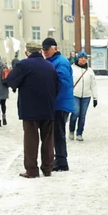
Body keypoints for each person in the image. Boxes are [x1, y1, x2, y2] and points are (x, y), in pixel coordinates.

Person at [6, 41, 59, 178]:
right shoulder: (50, 66)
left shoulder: (23, 65)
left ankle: (32, 170)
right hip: (48, 108)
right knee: (48, 139)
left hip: (29, 109)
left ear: (26, 52)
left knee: (31, 140)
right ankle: (47, 169)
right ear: (41, 51)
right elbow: (56, 86)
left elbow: (10, 80)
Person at [42, 38, 74, 172]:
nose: (45, 53)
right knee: (57, 133)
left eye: (47, 50)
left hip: (59, 104)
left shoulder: (60, 62)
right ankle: (60, 159)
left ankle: (62, 161)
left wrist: (53, 100)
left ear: (54, 48)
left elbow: (63, 84)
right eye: (43, 50)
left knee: (58, 133)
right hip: (59, 102)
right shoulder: (54, 61)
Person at [69, 51, 98, 141]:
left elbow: (93, 84)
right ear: (77, 59)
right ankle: (71, 129)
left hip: (86, 95)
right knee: (75, 112)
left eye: (85, 58)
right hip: (75, 94)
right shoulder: (72, 68)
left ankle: (79, 133)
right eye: (81, 58)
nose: (83, 59)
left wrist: (95, 97)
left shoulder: (90, 71)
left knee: (82, 115)